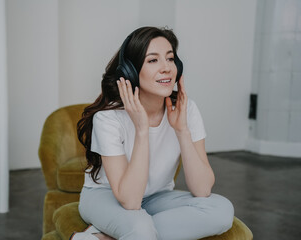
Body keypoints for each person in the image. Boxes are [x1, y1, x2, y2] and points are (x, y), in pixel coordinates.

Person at [73, 26, 234, 240]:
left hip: (157, 197)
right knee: (140, 228)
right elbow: (129, 200)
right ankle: (132, 232)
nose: (166, 68)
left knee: (221, 210)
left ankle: (109, 237)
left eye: (170, 58)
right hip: (105, 197)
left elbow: (203, 189)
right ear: (131, 71)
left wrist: (182, 130)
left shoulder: (187, 109)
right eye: (153, 60)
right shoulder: (109, 118)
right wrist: (142, 131)